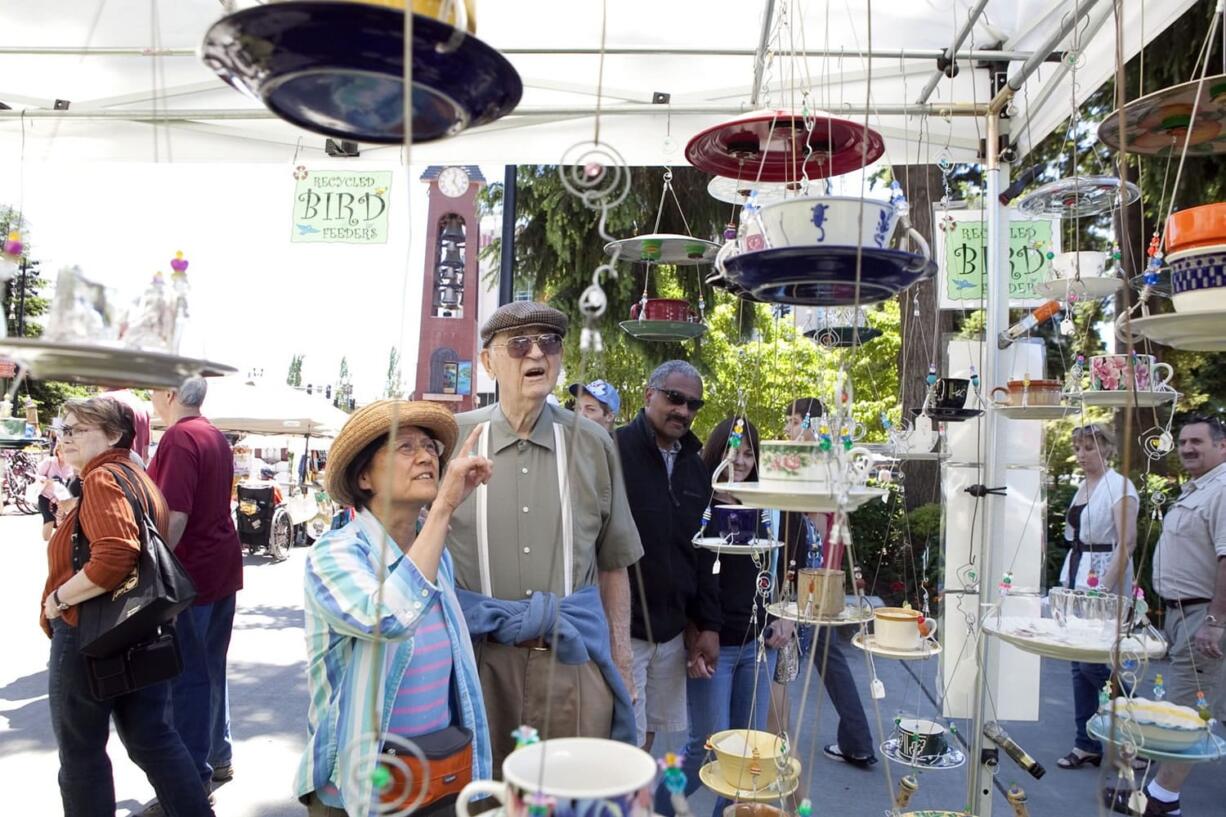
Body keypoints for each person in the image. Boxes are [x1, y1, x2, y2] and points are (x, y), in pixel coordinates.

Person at [445, 301, 643, 770]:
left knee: (571, 795)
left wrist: (622, 661)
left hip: (572, 663)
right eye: (519, 344)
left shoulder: (593, 444)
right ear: (489, 362)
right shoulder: (453, 440)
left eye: (548, 342)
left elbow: (614, 561)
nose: (536, 354)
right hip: (477, 664)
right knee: (479, 798)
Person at [295, 400, 494, 816]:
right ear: (364, 476)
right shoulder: (335, 554)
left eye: (429, 446)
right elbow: (386, 618)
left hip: (436, 779)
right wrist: (443, 508)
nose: (425, 456)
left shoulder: (436, 552)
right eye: (404, 447)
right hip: (357, 795)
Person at [41, 397, 215, 817]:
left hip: (90, 631)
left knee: (81, 753)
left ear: (114, 435)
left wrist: (58, 599)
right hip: (136, 626)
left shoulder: (103, 479)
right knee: (152, 736)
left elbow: (117, 554)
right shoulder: (136, 475)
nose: (66, 439)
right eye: (63, 430)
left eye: (77, 430)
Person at [655, 415, 788, 817]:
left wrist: (782, 614)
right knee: (707, 745)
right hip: (715, 646)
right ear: (717, 451)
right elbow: (689, 574)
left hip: (758, 643)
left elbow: (774, 565)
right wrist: (694, 633)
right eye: (734, 450)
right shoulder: (699, 502)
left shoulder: (764, 502)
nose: (742, 460)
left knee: (748, 750)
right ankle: (651, 805)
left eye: (749, 452)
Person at [1107, 416, 1226, 817]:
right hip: (1182, 613)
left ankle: (1161, 800)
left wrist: (1215, 621)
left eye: (1198, 441)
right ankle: (1158, 794)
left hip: (1203, 616)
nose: (1188, 448)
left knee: (1186, 715)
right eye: (1183, 442)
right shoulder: (1199, 489)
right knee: (1196, 706)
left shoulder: (1223, 488)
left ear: (1222, 446)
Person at [147, 376, 244, 806]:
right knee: (209, 669)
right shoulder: (213, 436)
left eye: (153, 391)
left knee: (187, 678)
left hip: (193, 575)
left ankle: (192, 778)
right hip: (219, 567)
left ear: (169, 395)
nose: (151, 399)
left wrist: (151, 571)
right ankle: (217, 756)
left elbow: (176, 515)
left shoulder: (180, 437)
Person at [615, 361, 718, 750]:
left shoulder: (696, 467)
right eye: (675, 398)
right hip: (623, 631)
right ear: (648, 395)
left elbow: (705, 552)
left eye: (694, 404)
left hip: (672, 632)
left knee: (647, 739)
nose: (684, 411)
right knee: (623, 740)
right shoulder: (614, 451)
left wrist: (706, 623)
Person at [771, 396, 877, 768]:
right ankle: (856, 739)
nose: (789, 428)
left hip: (810, 579)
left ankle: (772, 747)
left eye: (796, 420)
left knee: (788, 659)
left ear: (812, 424)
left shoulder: (815, 465)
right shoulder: (829, 465)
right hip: (819, 577)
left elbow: (815, 532)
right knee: (822, 658)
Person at [1057, 424, 1138, 770]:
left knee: (1097, 663)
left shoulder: (1119, 486)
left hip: (1104, 575)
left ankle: (1128, 737)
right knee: (1078, 663)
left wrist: (1105, 587)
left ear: (1105, 448)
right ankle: (1085, 741)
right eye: (1078, 447)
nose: (1082, 453)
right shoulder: (1082, 488)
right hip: (1078, 571)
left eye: (1089, 447)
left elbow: (1127, 541)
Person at [36, 442, 74, 542]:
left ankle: (58, 546)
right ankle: (46, 542)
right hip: (46, 497)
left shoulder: (71, 466)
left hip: (61, 499)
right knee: (49, 520)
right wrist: (45, 479)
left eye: (68, 453)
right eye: (63, 452)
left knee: (63, 524)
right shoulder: (49, 462)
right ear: (57, 452)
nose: (65, 456)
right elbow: (38, 474)